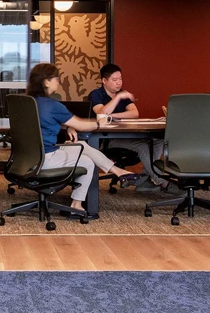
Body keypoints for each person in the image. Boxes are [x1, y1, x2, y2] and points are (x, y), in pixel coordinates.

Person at [28, 63, 137, 213]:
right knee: (87, 162)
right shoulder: (52, 105)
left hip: (28, 157)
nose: (58, 81)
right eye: (56, 78)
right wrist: (99, 123)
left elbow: (40, 122)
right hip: (46, 157)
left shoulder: (28, 102)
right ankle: (76, 205)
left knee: (81, 145)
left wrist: (68, 126)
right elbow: (81, 125)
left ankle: (118, 171)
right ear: (46, 81)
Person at [88, 64, 168, 192]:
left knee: (158, 141)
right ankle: (163, 182)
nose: (119, 83)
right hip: (107, 139)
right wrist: (118, 98)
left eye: (120, 79)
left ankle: (142, 180)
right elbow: (101, 113)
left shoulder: (122, 94)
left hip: (126, 136)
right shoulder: (96, 94)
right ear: (104, 81)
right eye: (115, 80)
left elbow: (134, 113)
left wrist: (112, 116)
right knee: (143, 146)